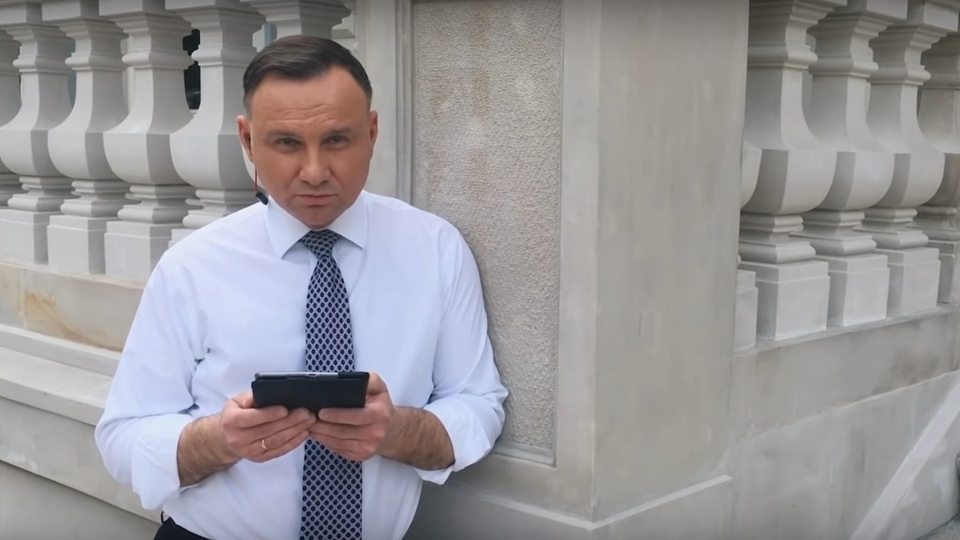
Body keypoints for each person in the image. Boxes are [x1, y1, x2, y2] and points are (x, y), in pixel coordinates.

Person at [95, 35, 508, 540]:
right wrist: (220, 440)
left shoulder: (436, 249)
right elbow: (122, 437)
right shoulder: (191, 266)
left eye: (337, 140)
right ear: (248, 140)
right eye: (287, 143)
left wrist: (398, 431)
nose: (314, 173)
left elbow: (477, 402)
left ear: (371, 133)